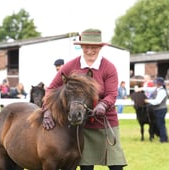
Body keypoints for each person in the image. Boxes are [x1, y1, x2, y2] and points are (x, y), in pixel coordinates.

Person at [42, 28, 127, 170]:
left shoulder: (109, 68)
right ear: (81, 46)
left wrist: (103, 105)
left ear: (100, 47)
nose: (90, 50)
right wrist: (47, 110)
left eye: (94, 47)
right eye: (86, 47)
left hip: (106, 123)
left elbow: (112, 94)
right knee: (86, 168)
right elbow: (51, 89)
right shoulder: (70, 66)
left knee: (116, 167)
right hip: (81, 127)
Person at [144, 77, 169, 143]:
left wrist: (148, 101)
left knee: (160, 125)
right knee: (160, 124)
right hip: (158, 110)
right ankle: (164, 138)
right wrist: (140, 88)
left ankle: (163, 139)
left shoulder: (162, 91)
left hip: (161, 110)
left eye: (156, 83)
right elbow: (149, 89)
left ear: (159, 84)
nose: (155, 84)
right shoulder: (157, 89)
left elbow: (157, 101)